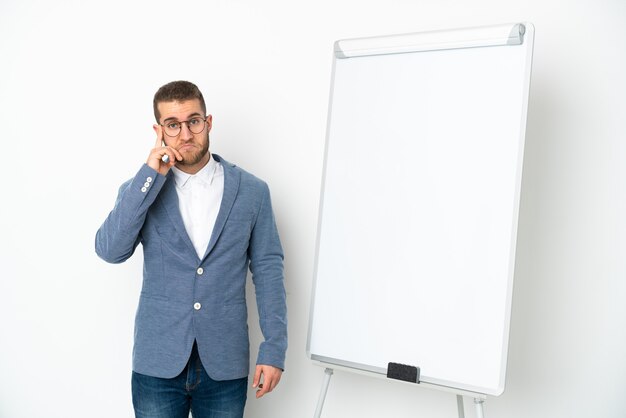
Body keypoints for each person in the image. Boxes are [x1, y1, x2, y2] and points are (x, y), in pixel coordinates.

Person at [95, 80, 287, 418]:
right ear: (159, 132)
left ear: (208, 123)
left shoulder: (253, 192)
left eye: (193, 121)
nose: (185, 134)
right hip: (158, 361)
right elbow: (111, 250)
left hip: (224, 363)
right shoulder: (141, 189)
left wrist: (274, 349)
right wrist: (149, 175)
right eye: (173, 125)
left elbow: (269, 272)